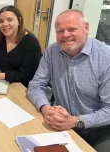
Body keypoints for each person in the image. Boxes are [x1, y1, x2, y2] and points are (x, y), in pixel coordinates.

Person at [28, 9, 110, 152]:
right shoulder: (51, 51)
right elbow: (36, 85)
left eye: (72, 29)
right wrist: (46, 109)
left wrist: (75, 121)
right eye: (60, 31)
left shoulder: (105, 58)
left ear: (86, 28)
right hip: (60, 122)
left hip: (98, 129)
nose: (65, 35)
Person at [0, 5, 41, 87]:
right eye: (1, 21)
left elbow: (26, 76)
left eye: (9, 20)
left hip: (22, 87)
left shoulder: (32, 43)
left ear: (19, 21)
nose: (5, 24)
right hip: (0, 83)